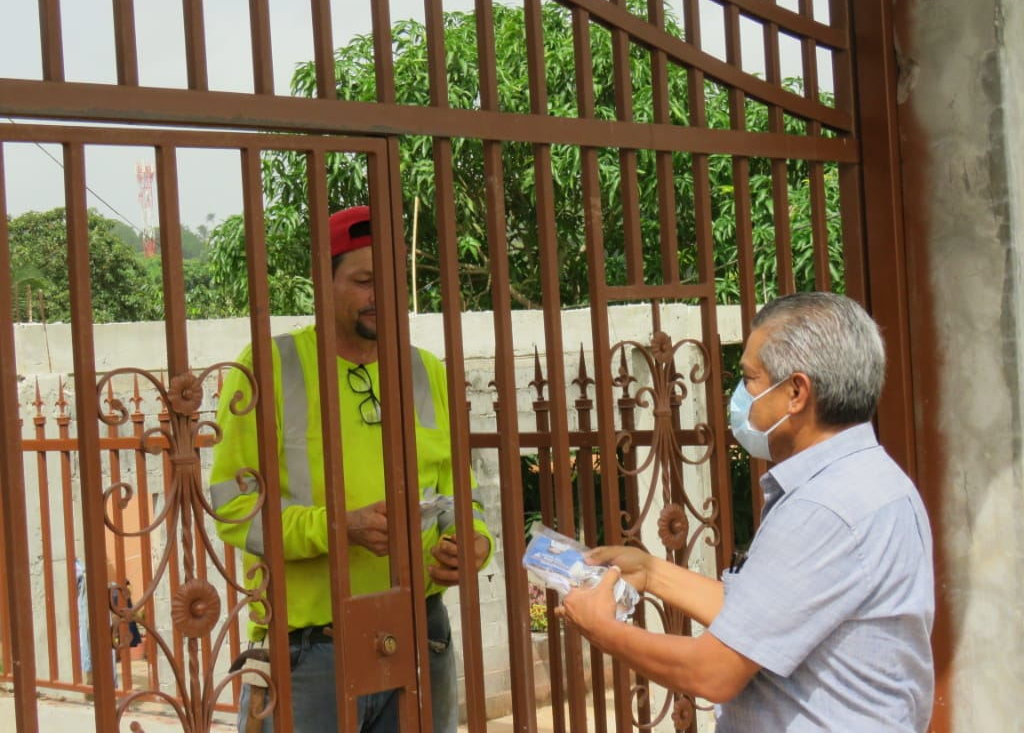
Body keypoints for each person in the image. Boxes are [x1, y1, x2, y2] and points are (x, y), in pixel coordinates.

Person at [558, 291, 934, 732]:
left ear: (796, 392)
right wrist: (652, 573)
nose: (741, 396)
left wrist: (603, 629)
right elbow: (762, 615)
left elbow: (712, 671)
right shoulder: (872, 480)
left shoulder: (824, 506)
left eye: (751, 379)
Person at [210, 205, 494, 733]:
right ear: (324, 283)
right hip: (312, 650)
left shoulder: (424, 369)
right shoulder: (270, 366)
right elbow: (234, 508)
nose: (381, 295)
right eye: (364, 281)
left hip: (419, 632)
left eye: (392, 281)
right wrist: (339, 529)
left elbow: (459, 490)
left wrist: (473, 541)